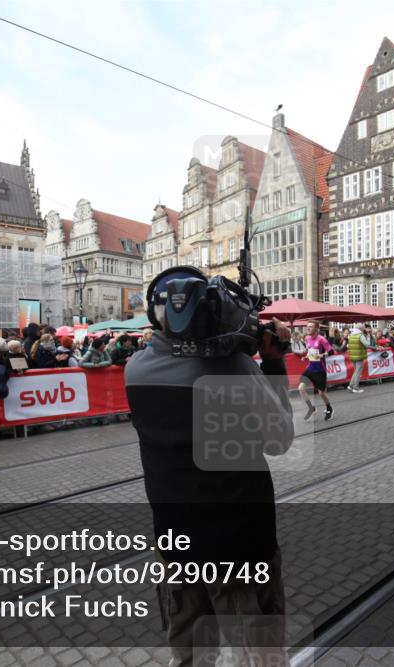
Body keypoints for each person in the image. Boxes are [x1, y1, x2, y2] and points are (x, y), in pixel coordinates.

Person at [125, 268, 294, 667]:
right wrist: (271, 360)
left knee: (189, 648)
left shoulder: (136, 370)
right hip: (239, 539)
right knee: (260, 649)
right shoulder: (236, 370)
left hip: (175, 537)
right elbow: (280, 439)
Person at [298, 320, 333, 422]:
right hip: (310, 368)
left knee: (321, 393)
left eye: (310, 327)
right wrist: (305, 356)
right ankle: (311, 408)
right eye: (307, 326)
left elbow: (331, 351)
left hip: (320, 369)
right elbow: (309, 350)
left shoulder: (322, 339)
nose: (308, 328)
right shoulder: (307, 338)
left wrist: (321, 355)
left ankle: (329, 408)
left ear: (316, 329)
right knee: (301, 388)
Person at [346, 324, 375, 393]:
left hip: (352, 355)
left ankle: (351, 385)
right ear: (361, 328)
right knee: (358, 372)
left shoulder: (351, 335)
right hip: (359, 355)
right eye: (363, 328)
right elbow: (367, 344)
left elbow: (348, 345)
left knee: (356, 371)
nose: (364, 329)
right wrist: (368, 338)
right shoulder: (360, 335)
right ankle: (355, 387)